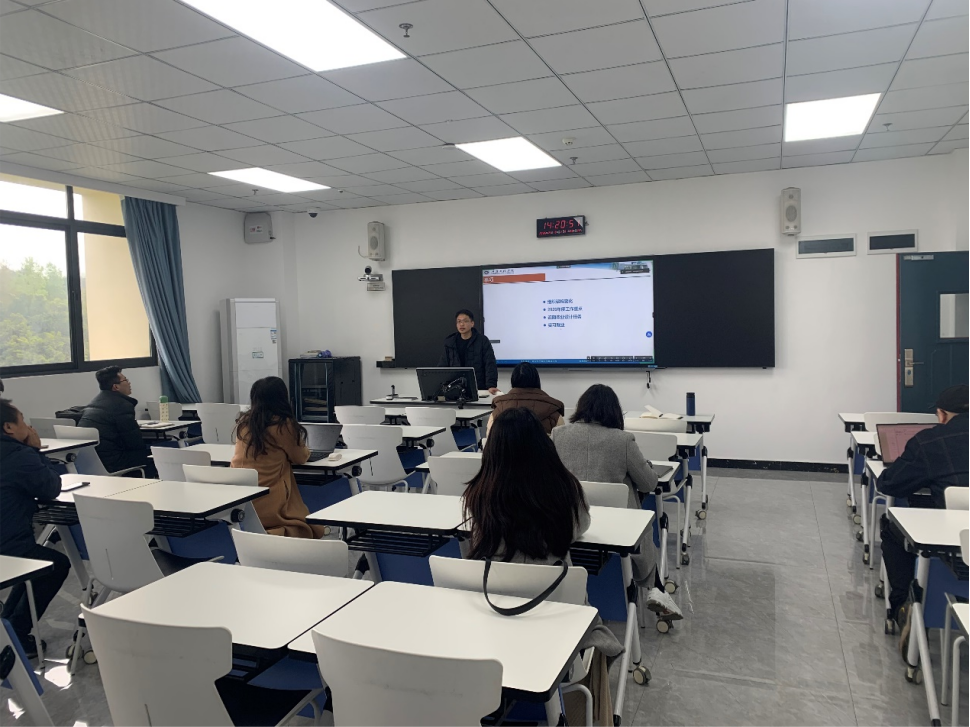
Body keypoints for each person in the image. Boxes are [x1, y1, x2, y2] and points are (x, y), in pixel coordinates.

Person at [552, 384, 681, 620]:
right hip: (618, 530)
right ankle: (655, 587)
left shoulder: (558, 435)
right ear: (613, 411)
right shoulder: (622, 440)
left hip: (572, 524)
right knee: (633, 496)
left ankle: (656, 589)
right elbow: (649, 484)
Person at [877, 384, 969, 652]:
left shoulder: (930, 441)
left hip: (956, 551)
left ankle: (903, 606)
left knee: (893, 530)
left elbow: (891, 484)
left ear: (941, 415)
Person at [0, 398, 71, 657]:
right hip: (7, 545)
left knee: (35, 563)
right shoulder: (18, 456)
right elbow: (51, 488)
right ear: (9, 427)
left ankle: (7, 626)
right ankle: (17, 635)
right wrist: (36, 450)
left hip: (8, 542)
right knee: (54, 565)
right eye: (22, 420)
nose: (28, 427)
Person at [231, 377, 326, 538]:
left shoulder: (244, 424)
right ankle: (274, 534)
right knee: (308, 528)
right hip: (270, 504)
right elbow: (300, 457)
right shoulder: (283, 426)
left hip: (240, 503)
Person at [78, 366, 153, 476]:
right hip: (114, 463)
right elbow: (134, 442)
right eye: (125, 380)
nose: (129, 383)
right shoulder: (122, 406)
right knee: (157, 457)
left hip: (91, 464)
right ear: (116, 387)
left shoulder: (94, 403)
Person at [487, 361, 564, 435]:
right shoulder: (553, 412)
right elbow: (561, 441)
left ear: (513, 381)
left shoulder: (498, 411)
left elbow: (490, 440)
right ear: (537, 381)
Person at [438, 309, 499, 394]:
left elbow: (490, 364)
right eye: (459, 321)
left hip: (478, 388)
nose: (461, 324)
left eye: (465, 321)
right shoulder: (450, 342)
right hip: (454, 388)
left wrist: (491, 385)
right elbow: (443, 366)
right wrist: (441, 385)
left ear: (472, 323)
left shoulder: (482, 341)